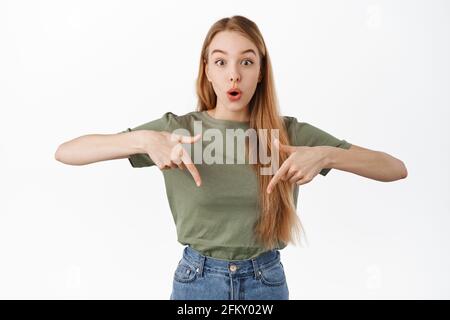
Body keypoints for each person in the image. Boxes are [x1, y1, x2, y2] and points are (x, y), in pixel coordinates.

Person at [54, 15, 408, 300]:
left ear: (261, 72)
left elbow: (394, 168)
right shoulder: (177, 130)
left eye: (246, 61)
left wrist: (327, 155)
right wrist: (144, 140)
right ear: (207, 70)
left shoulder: (287, 134)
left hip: (265, 281)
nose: (233, 74)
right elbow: (67, 152)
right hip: (197, 282)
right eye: (221, 61)